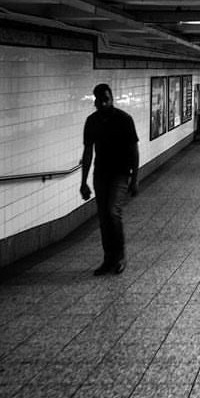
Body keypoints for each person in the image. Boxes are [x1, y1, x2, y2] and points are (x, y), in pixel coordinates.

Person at [80, 83, 139, 275]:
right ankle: (108, 258)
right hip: (101, 174)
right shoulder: (92, 122)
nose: (104, 103)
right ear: (95, 101)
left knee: (113, 211)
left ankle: (120, 256)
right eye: (100, 100)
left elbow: (134, 150)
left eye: (107, 99)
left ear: (112, 99)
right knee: (104, 218)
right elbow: (88, 152)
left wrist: (135, 178)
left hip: (121, 173)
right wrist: (83, 182)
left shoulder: (124, 119)